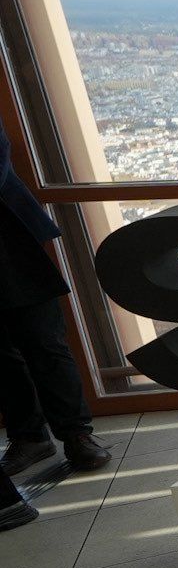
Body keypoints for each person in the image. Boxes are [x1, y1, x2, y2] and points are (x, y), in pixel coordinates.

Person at [1, 127, 111, 475]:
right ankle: (29, 437)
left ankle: (76, 435)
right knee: (0, 355)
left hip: (10, 242)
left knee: (44, 342)